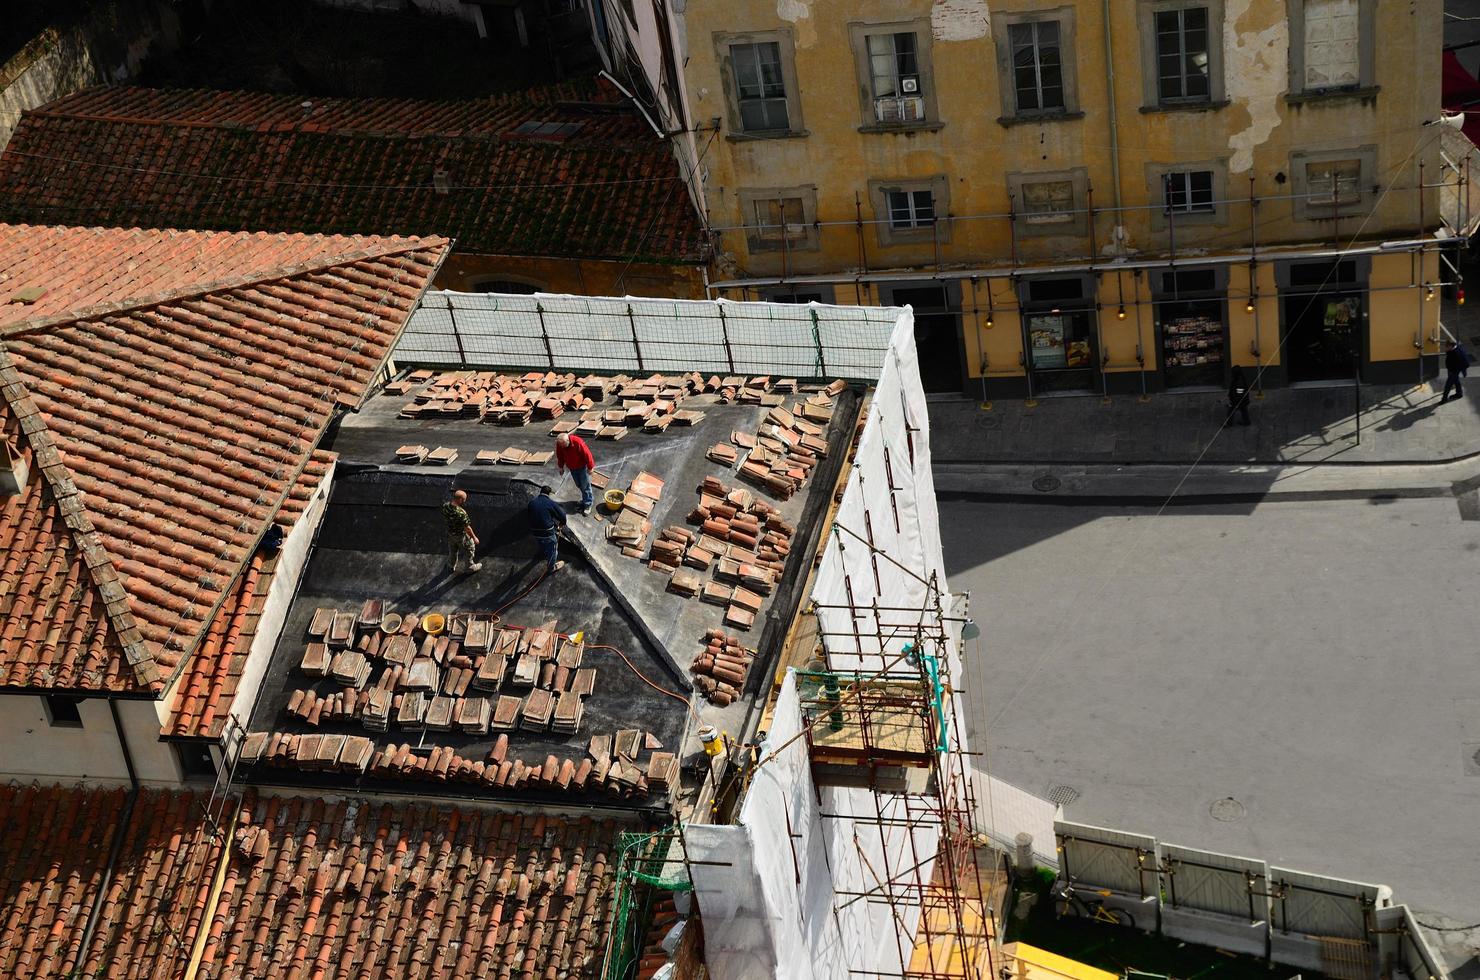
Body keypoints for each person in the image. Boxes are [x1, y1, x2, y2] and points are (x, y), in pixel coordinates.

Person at [527, 484, 567, 573]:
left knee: (541, 541)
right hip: (547, 532)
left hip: (534, 531)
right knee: (553, 551)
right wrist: (562, 523)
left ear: (540, 492)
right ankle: (551, 568)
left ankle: (542, 552)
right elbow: (562, 515)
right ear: (548, 494)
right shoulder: (550, 503)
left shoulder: (532, 502)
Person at [441, 489, 482, 574]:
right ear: (460, 499)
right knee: (469, 549)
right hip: (461, 536)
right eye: (464, 499)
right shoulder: (461, 513)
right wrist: (474, 538)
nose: (464, 501)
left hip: (450, 534)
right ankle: (470, 567)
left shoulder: (445, 506)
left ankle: (451, 566)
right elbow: (467, 528)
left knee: (453, 550)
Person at [554, 432, 596, 514]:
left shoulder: (577, 442)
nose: (562, 447)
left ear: (568, 440)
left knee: (585, 486)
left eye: (563, 444)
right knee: (579, 485)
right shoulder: (560, 444)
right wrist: (561, 467)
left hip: (582, 468)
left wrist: (590, 467)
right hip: (572, 468)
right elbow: (560, 456)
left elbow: (587, 454)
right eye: (560, 445)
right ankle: (585, 499)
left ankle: (588, 504)